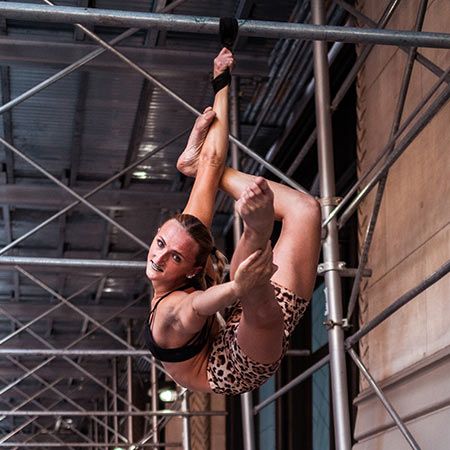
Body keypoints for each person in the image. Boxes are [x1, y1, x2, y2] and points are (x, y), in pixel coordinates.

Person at [145, 48, 321, 395]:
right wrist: (237, 289)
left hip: (236, 301)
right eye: (164, 248)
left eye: (171, 252)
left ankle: (252, 226)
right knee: (306, 212)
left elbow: (212, 157)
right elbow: (195, 306)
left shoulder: (188, 239)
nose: (159, 257)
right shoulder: (169, 314)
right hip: (230, 368)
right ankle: (256, 231)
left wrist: (221, 80)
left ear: (194, 268)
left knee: (211, 173)